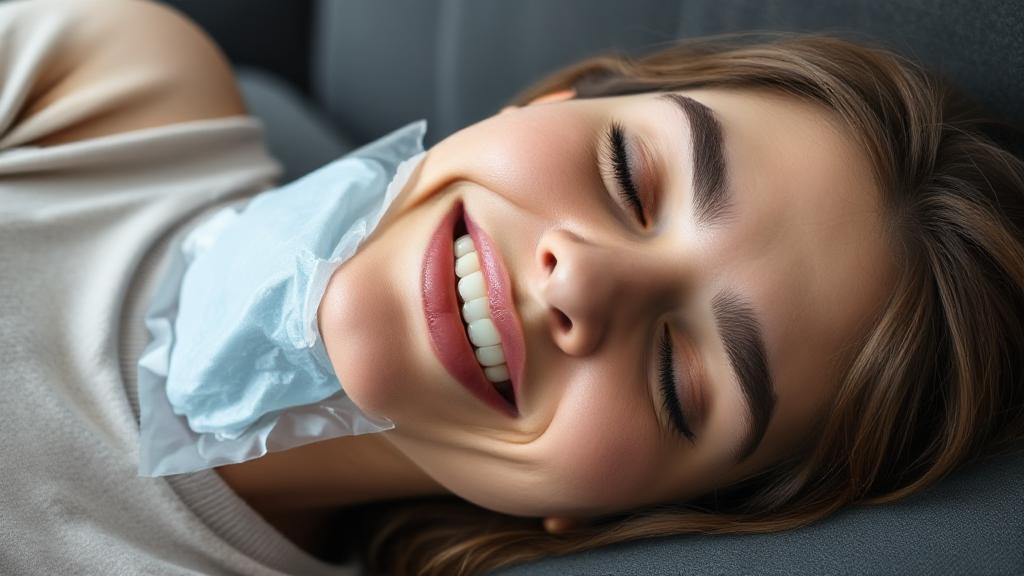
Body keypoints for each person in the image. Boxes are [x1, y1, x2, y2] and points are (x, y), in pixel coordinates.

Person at [1, 2, 1022, 576]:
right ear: (551, 100)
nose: (583, 278)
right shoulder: (104, 82)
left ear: (616, 511)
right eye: (628, 174)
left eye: (678, 378)